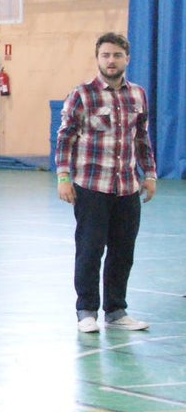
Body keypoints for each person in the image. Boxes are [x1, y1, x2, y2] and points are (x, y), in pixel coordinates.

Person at [55, 32, 157, 333]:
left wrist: (149, 174)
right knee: (90, 250)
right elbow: (65, 138)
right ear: (98, 58)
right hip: (92, 187)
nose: (111, 61)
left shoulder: (137, 95)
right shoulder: (82, 94)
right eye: (106, 55)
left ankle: (116, 311)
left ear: (127, 58)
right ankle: (86, 311)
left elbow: (142, 138)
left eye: (117, 55)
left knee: (123, 252)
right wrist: (63, 176)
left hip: (127, 188)